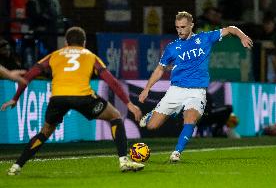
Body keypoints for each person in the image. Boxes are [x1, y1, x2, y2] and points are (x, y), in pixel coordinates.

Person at [1, 26, 144, 175]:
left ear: (66, 43)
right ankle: (123, 161)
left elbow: (30, 74)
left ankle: (16, 167)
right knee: (115, 116)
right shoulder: (90, 56)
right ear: (84, 42)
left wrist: (15, 98)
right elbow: (112, 81)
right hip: (83, 97)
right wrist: (129, 104)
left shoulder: (54, 55)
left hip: (58, 99)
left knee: (45, 131)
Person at [139, 11, 253, 162]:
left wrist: (242, 36)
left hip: (197, 92)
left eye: (183, 27)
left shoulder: (204, 38)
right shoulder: (172, 48)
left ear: (191, 25)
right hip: (176, 90)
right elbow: (160, 69)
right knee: (152, 126)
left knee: (190, 119)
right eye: (177, 27)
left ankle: (177, 153)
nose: (180, 30)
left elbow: (231, 29)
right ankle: (154, 115)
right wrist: (147, 88)